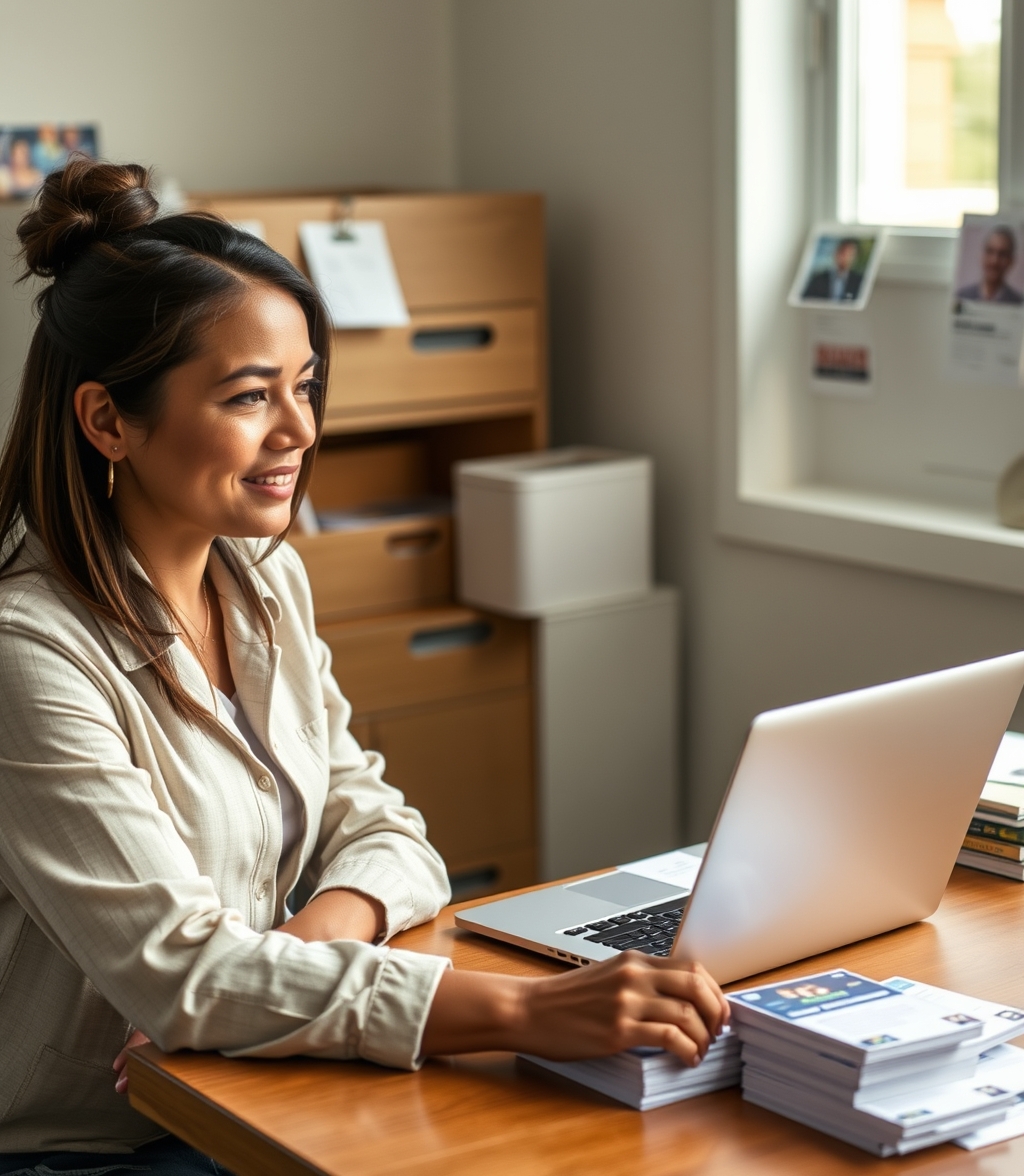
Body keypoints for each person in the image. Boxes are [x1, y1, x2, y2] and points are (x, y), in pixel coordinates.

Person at [0, 159, 728, 1174]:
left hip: (252, 1073)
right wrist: (523, 1008)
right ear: (107, 420)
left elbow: (384, 829)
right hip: (97, 1147)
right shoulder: (28, 656)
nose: (299, 430)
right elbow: (179, 975)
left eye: (305, 386)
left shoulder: (263, 579)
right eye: (251, 397)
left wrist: (289, 954)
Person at [956, 226, 1024, 305]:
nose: (994, 261)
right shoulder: (963, 297)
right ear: (982, 255)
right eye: (990, 251)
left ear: (1011, 260)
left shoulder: (1018, 302)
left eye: (1002, 254)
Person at [801, 237, 864, 303]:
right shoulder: (818, 279)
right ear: (837, 253)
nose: (846, 257)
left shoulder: (859, 281)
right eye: (844, 252)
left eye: (851, 254)